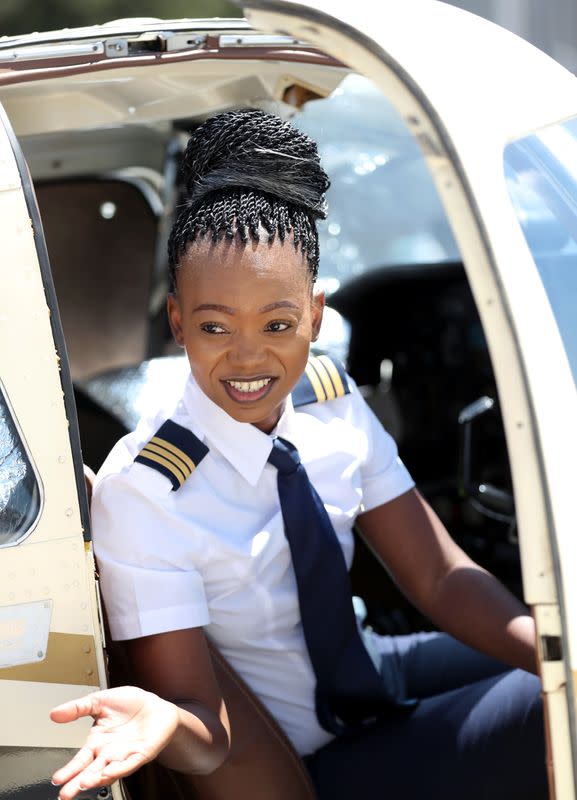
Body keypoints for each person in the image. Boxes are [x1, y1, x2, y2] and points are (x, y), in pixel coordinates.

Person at [50, 109, 546, 800]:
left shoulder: (330, 400)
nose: (247, 357)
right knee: (551, 717)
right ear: (177, 323)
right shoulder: (145, 493)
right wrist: (164, 721)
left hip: (375, 669)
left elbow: (439, 579)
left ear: (315, 315)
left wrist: (556, 655)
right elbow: (210, 732)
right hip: (319, 754)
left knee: (546, 667)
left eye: (278, 325)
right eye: (213, 326)